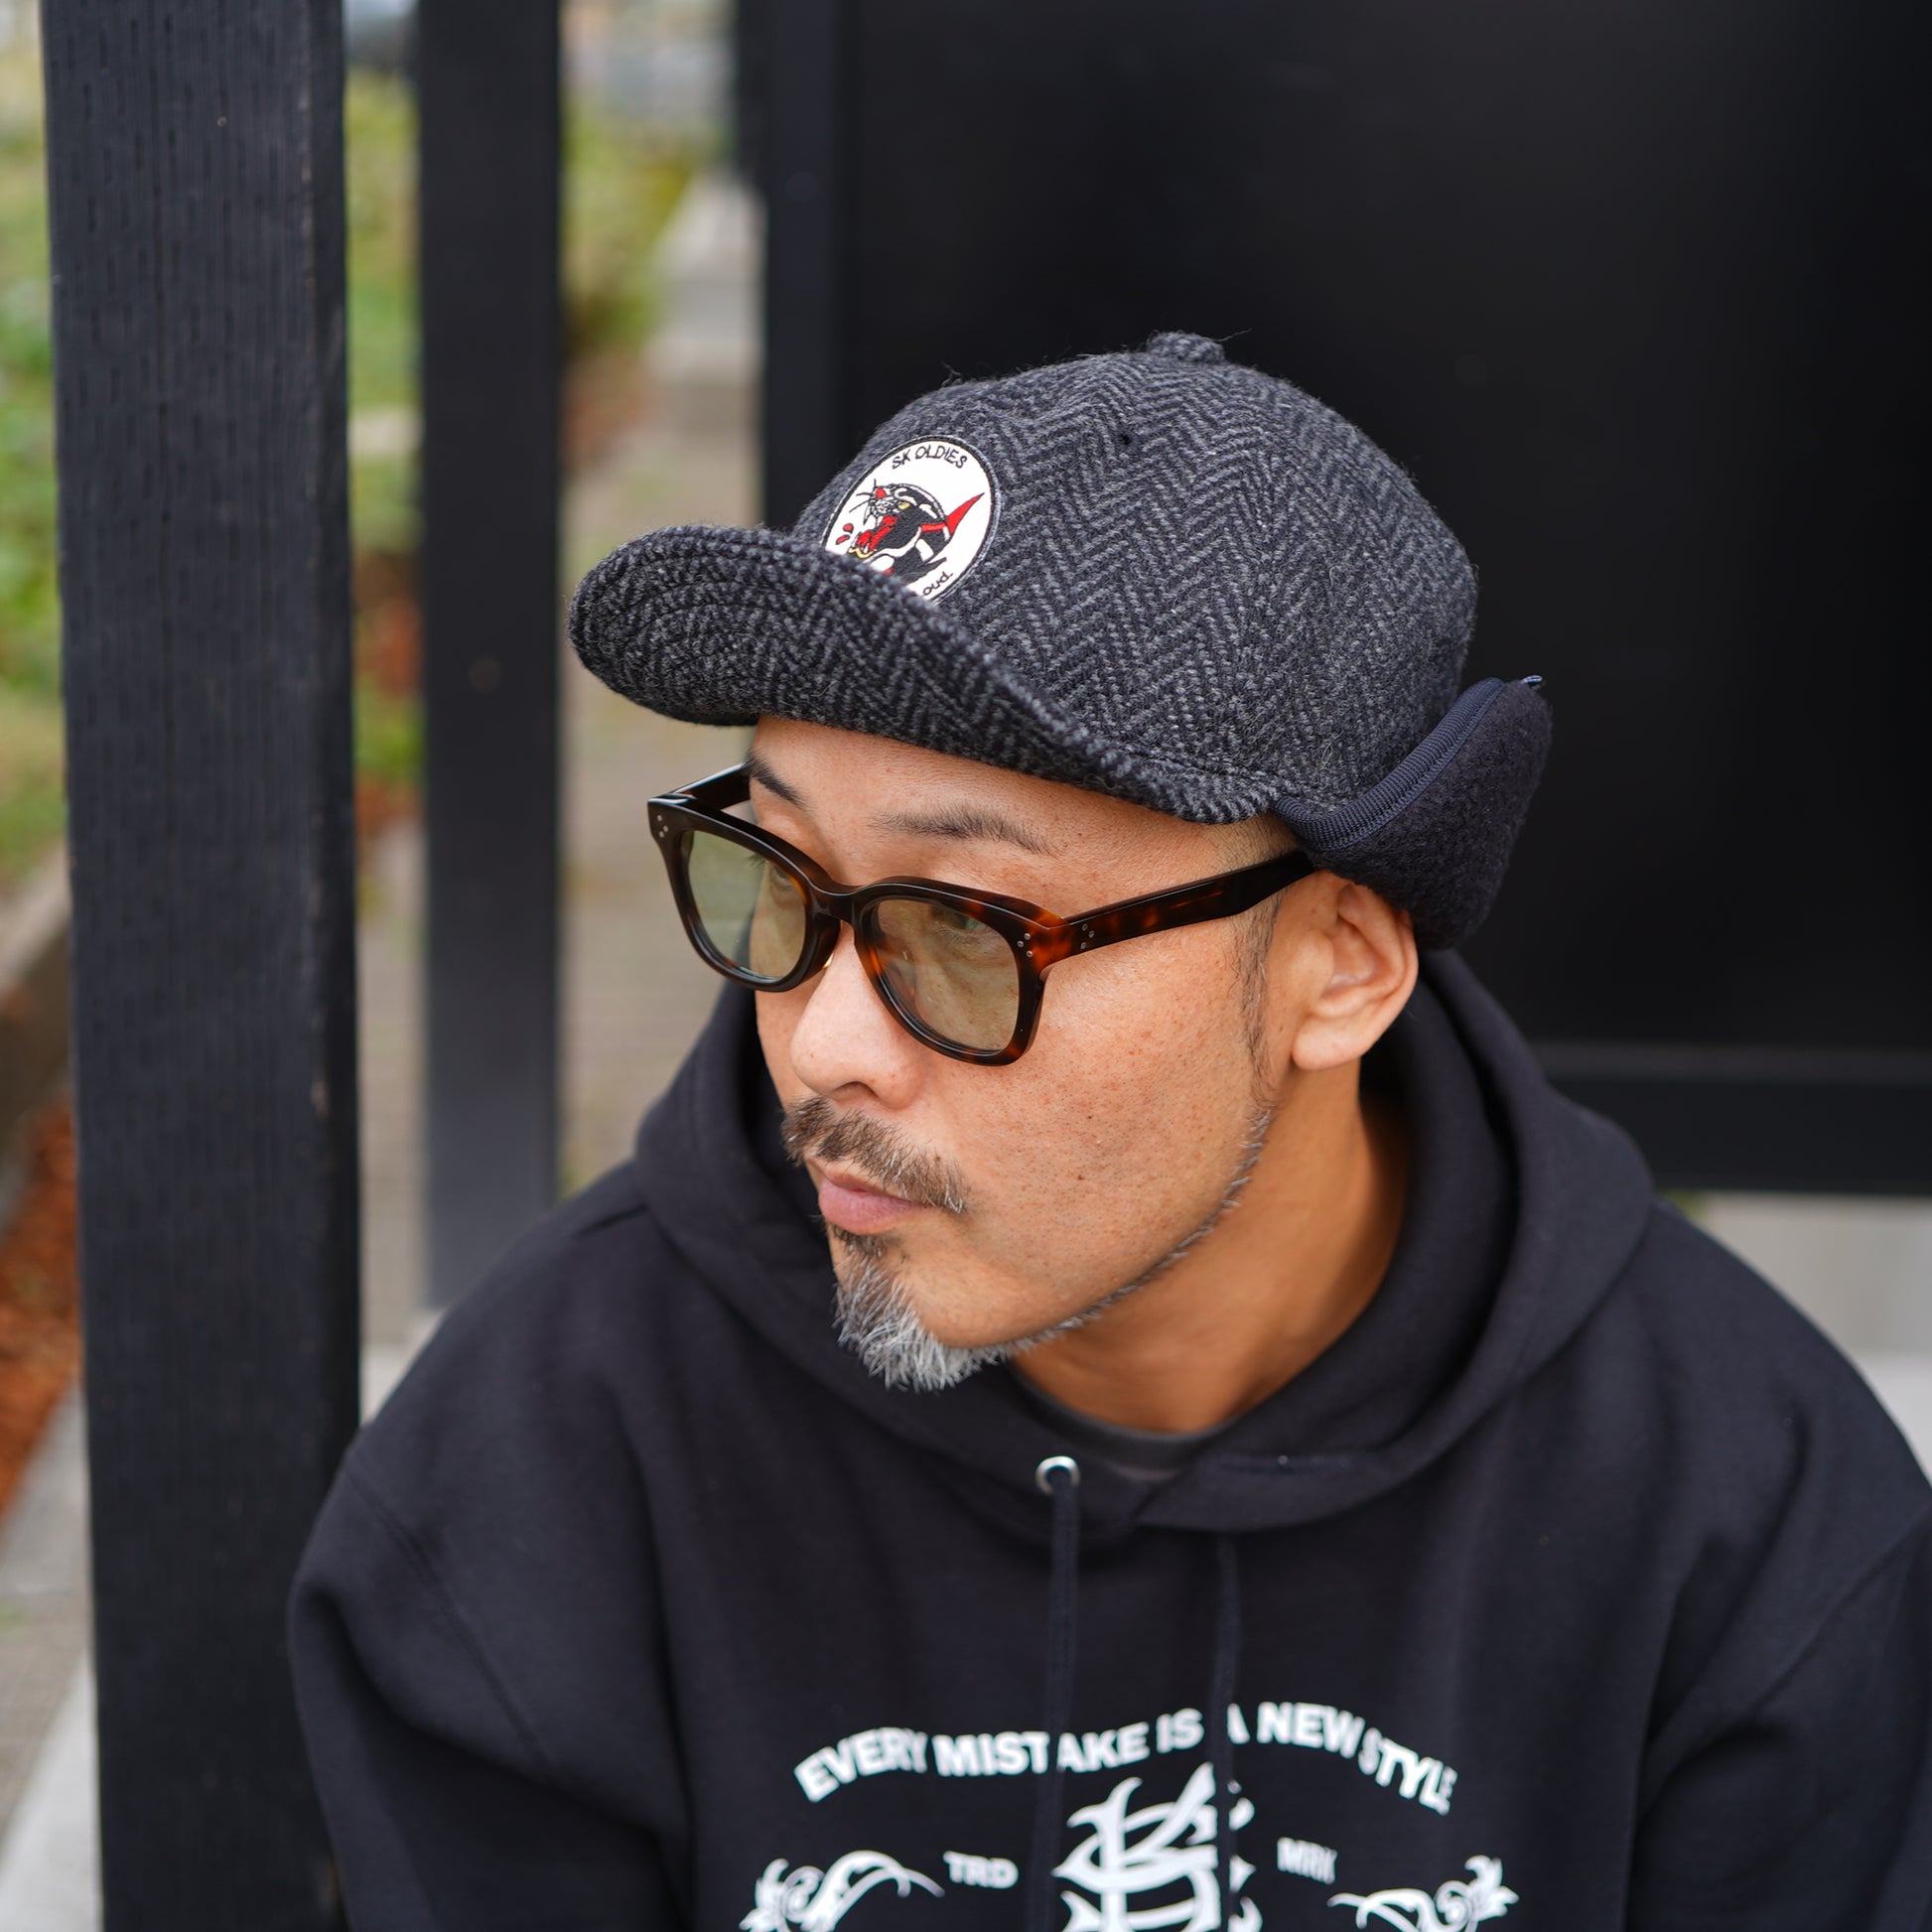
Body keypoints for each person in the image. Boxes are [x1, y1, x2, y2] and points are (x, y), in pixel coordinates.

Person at [290, 334, 1932, 1930]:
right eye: (777, 873)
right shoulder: (538, 1467)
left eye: (964, 929)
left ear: (1338, 966)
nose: (823, 1045)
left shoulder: (1741, 1513)